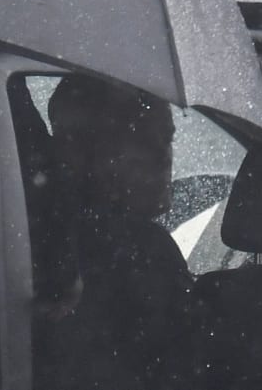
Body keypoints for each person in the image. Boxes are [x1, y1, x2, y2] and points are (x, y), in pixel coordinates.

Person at [32, 75, 196, 390]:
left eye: (168, 138)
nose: (164, 155)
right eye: (143, 140)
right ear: (84, 150)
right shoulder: (137, 249)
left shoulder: (38, 225)